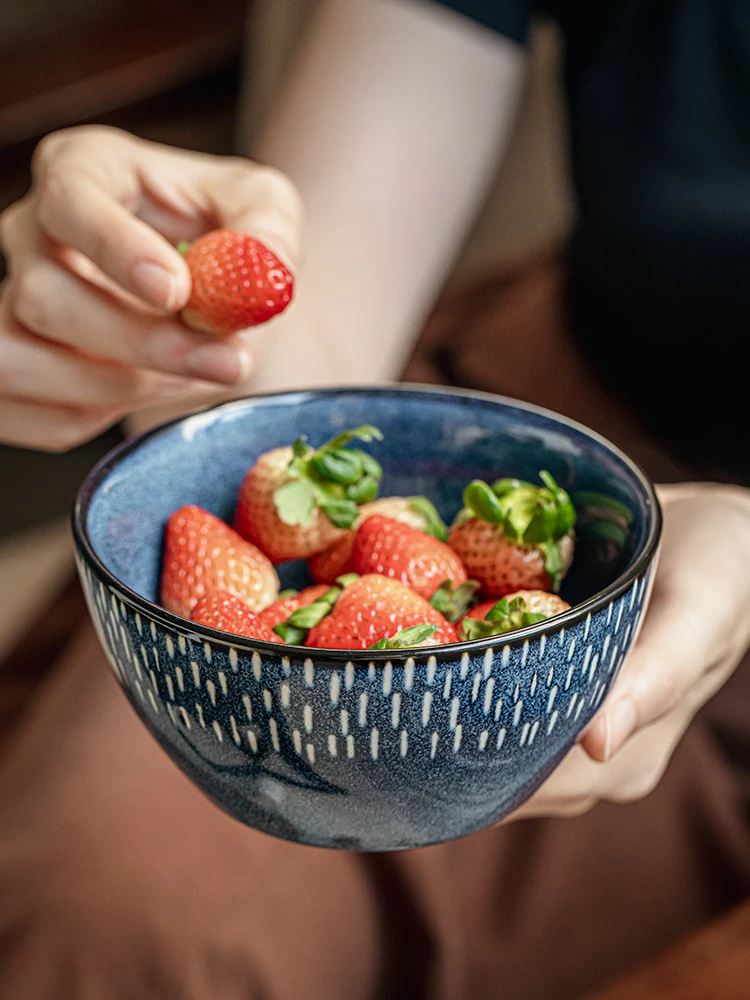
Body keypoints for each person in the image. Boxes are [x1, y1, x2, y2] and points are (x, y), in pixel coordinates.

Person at [1, 1, 750, 997]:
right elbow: (301, 365)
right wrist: (170, 319)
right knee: (100, 915)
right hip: (545, 449)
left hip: (689, 570)